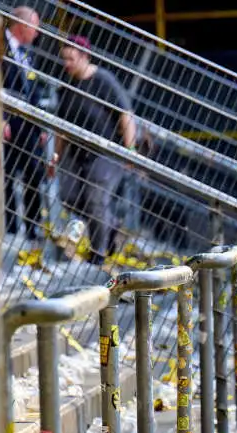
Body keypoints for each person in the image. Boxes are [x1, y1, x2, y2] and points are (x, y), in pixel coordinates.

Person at [51, 35, 134, 267]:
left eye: (71, 58)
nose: (67, 64)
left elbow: (125, 114)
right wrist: (56, 156)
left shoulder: (103, 80)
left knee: (96, 199)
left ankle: (98, 255)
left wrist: (130, 150)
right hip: (77, 154)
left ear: (85, 57)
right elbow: (61, 127)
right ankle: (111, 226)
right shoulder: (66, 84)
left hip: (105, 153)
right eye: (64, 59)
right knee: (69, 196)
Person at [3, 6, 47, 240]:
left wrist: (40, 126)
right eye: (35, 27)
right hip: (8, 124)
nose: (37, 33)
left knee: (34, 174)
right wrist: (0, 119)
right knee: (7, 175)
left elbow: (35, 91)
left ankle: (32, 226)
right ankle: (9, 226)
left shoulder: (29, 53)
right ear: (23, 26)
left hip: (29, 126)